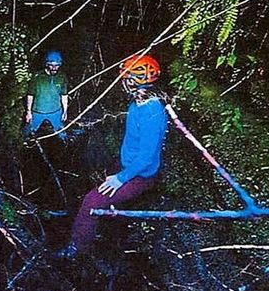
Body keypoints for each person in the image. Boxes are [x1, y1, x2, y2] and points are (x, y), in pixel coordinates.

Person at [56, 54, 168, 259]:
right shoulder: (139, 102)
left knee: (91, 201)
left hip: (139, 176)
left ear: (135, 81)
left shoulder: (151, 111)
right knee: (92, 177)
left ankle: (76, 251)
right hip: (128, 165)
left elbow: (147, 157)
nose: (122, 82)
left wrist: (120, 179)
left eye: (126, 78)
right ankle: (84, 221)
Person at [25, 50, 69, 140]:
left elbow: (64, 95)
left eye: (57, 65)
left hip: (55, 111)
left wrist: (65, 111)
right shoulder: (37, 76)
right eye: (51, 65)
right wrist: (28, 112)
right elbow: (30, 95)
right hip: (38, 111)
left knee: (62, 134)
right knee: (28, 133)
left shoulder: (61, 77)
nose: (54, 68)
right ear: (46, 64)